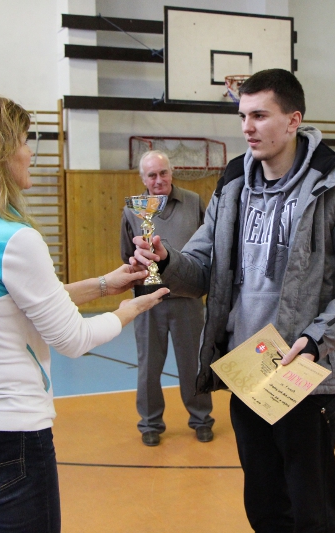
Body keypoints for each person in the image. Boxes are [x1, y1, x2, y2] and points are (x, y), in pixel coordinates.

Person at [131, 69, 335, 533]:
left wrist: (316, 339)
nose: (247, 127)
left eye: (260, 116)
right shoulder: (233, 185)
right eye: (243, 116)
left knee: (311, 513)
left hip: (305, 372)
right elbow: (202, 267)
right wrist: (167, 260)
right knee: (265, 509)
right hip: (248, 367)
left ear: (293, 120)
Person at [0, 96, 168, 533]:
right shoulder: (15, 239)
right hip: (8, 437)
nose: (29, 151)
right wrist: (128, 310)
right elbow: (73, 340)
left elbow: (6, 305)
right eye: (22, 141)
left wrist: (103, 284)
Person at [120, 150, 214, 447]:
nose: (158, 180)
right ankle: (150, 423)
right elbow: (126, 253)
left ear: (171, 172)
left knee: (193, 364)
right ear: (143, 179)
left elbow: (208, 245)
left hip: (188, 297)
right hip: (148, 300)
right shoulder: (133, 210)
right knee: (148, 366)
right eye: (152, 175)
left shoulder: (193, 202)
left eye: (163, 173)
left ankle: (201, 418)